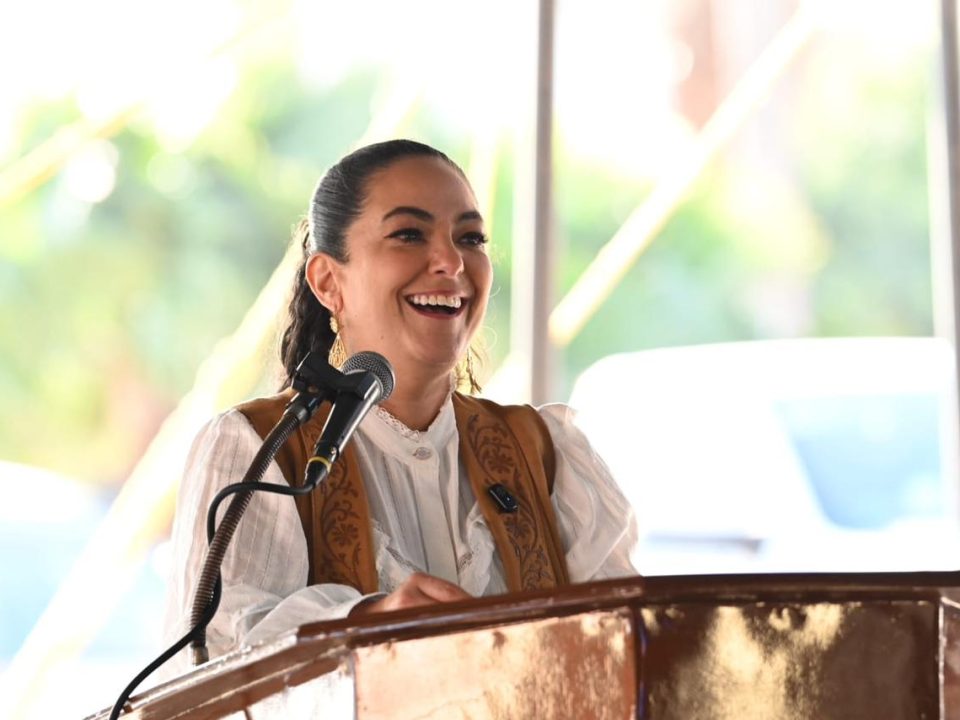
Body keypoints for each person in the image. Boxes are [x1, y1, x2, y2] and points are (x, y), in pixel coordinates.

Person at [162, 139, 638, 673]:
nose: (451, 261)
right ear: (328, 281)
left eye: (470, 238)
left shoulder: (544, 452)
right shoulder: (261, 449)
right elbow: (215, 657)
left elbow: (627, 648)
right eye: (409, 234)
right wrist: (369, 624)